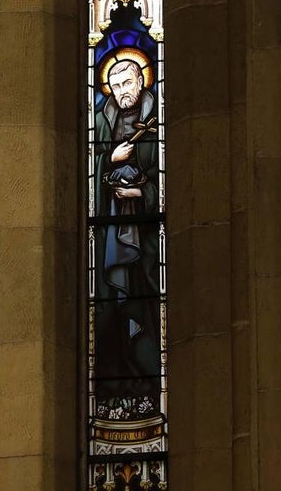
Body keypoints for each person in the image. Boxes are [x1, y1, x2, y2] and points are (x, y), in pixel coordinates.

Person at [93, 58, 162, 398]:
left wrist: (141, 193)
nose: (122, 92)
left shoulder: (156, 118)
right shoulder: (101, 121)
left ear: (140, 81)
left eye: (127, 84)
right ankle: (114, 389)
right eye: (115, 86)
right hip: (110, 239)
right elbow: (93, 170)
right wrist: (110, 161)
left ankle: (147, 385)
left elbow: (164, 175)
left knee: (144, 304)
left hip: (146, 239)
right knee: (111, 307)